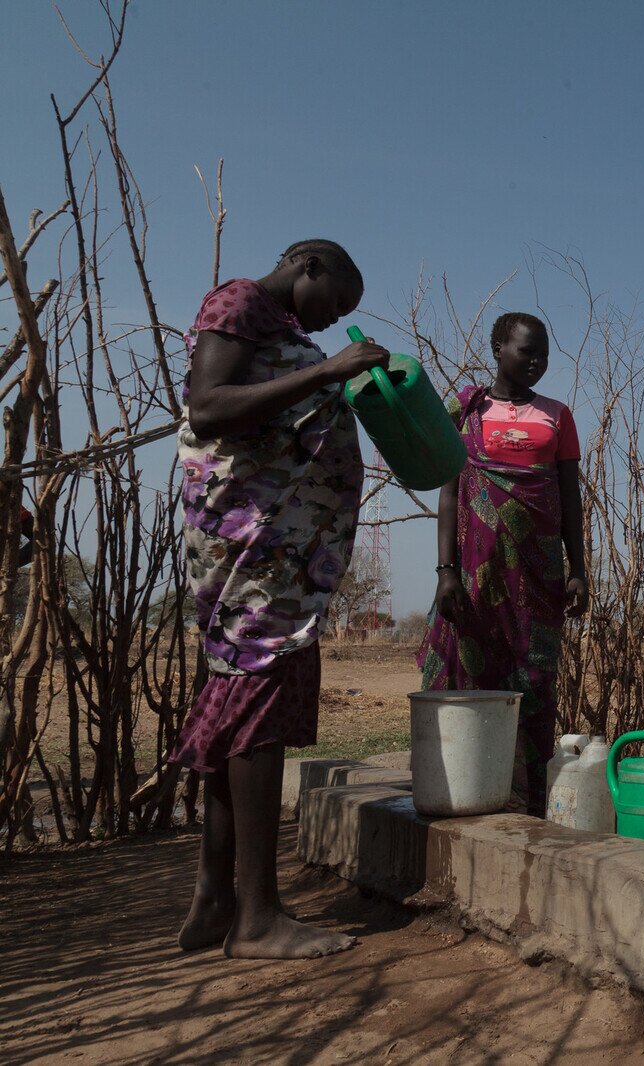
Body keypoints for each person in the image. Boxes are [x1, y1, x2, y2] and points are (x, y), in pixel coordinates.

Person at [173, 239, 387, 959]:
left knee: (237, 708)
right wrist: (328, 371)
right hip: (251, 546)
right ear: (308, 265)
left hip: (275, 553)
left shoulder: (277, 327)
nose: (334, 318)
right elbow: (208, 407)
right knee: (254, 710)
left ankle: (217, 901)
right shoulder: (240, 301)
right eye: (337, 301)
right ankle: (258, 919)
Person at [418, 311, 588, 816]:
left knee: (534, 680)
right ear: (498, 349)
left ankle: (529, 800)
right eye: (526, 351)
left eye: (544, 355)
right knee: (472, 677)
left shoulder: (558, 416)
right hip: (476, 574)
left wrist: (578, 569)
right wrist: (445, 571)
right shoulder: (466, 410)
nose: (536, 362)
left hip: (538, 575)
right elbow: (449, 492)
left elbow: (570, 499)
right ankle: (467, 789)